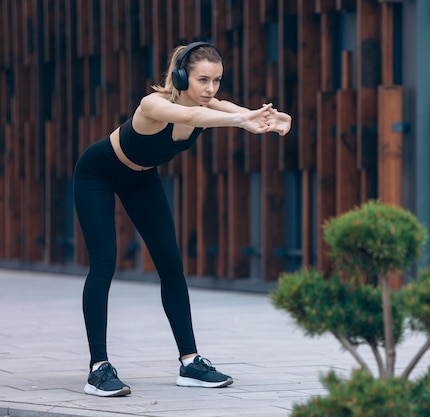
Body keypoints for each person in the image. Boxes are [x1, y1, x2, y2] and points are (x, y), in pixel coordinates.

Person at [73, 41, 291, 397]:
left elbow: (237, 112)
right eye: (203, 80)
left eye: (216, 80)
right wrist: (240, 120)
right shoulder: (153, 104)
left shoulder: (209, 105)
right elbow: (193, 117)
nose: (210, 89)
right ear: (180, 77)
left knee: (172, 265)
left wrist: (265, 120)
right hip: (96, 174)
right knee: (104, 264)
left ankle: (190, 363)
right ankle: (99, 369)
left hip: (141, 177)